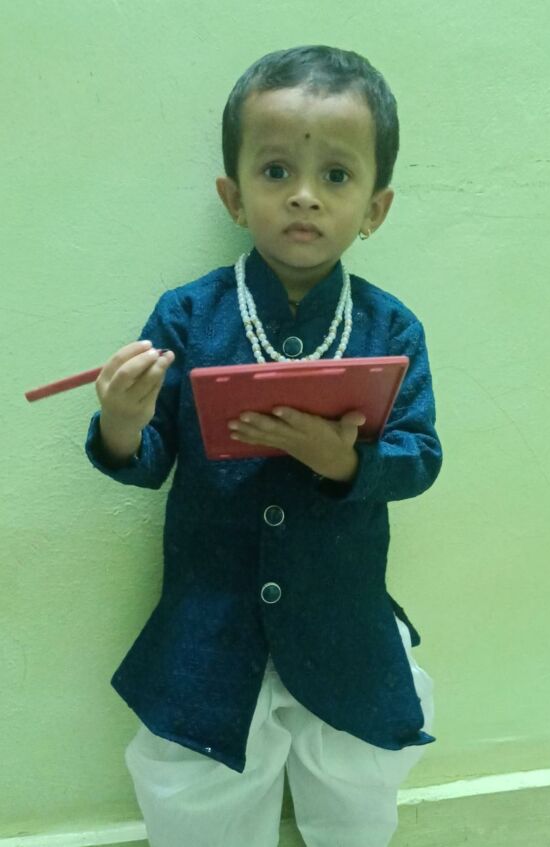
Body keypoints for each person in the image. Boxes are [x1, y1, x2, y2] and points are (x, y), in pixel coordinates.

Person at [85, 44, 443, 847]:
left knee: (356, 794)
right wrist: (121, 419)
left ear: (376, 208)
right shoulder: (188, 316)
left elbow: (420, 455)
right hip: (211, 622)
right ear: (234, 196)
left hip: (343, 619)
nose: (304, 195)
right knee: (196, 797)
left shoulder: (392, 328)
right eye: (276, 170)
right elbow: (148, 456)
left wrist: (344, 461)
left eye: (337, 176)